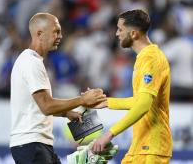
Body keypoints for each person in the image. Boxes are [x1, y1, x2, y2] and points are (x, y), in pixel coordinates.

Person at [10, 12, 106, 164]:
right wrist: (82, 100)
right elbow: (46, 106)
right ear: (39, 34)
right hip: (32, 144)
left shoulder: (32, 61)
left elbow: (37, 103)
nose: (60, 36)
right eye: (56, 31)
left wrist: (66, 113)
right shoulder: (31, 63)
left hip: (36, 144)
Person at [92, 9, 172, 163]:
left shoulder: (152, 58)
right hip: (140, 147)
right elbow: (140, 100)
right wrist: (106, 102)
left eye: (120, 29)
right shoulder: (143, 58)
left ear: (134, 34)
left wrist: (109, 134)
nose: (116, 34)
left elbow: (143, 105)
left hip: (152, 149)